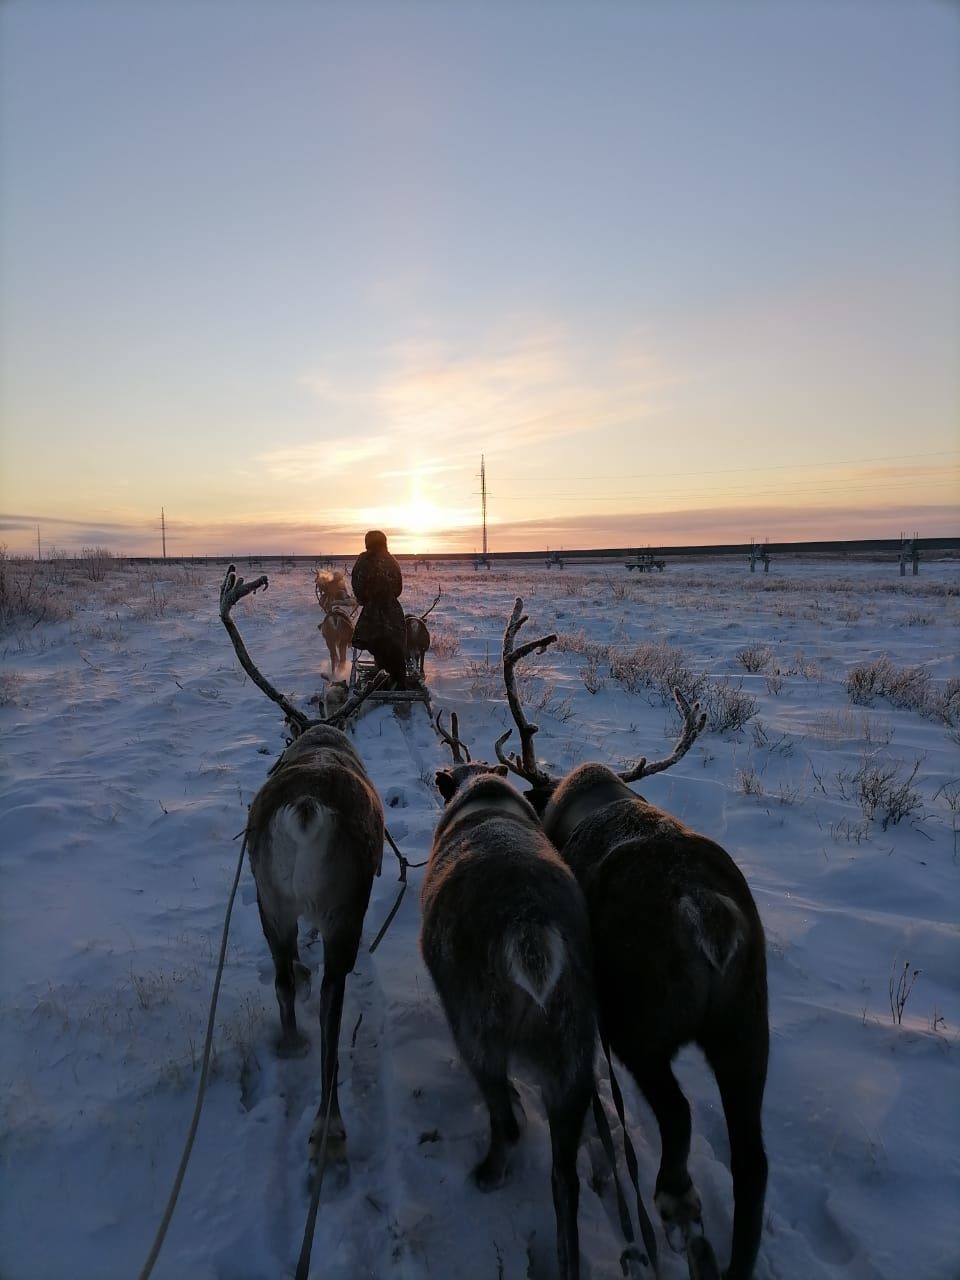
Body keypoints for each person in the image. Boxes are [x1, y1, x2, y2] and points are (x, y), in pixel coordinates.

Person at [351, 530, 407, 688]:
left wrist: (365, 600)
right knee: (395, 647)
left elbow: (357, 586)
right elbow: (398, 588)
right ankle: (397, 680)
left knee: (377, 645)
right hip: (393, 611)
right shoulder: (392, 560)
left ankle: (383, 679)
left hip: (372, 613)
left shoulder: (363, 560)